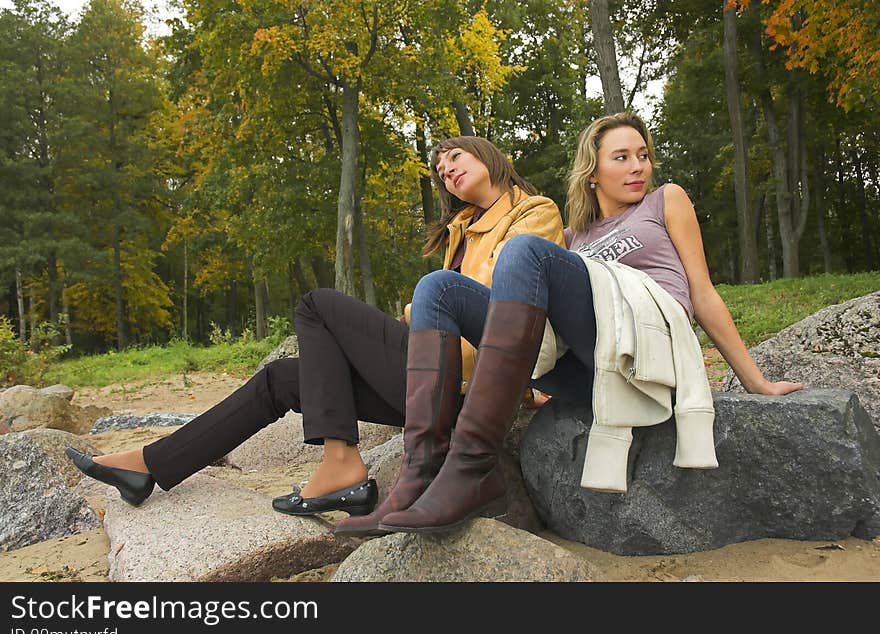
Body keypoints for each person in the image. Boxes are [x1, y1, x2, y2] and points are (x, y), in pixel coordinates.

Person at [65, 136, 565, 534]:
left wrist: (419, 307)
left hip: (475, 391)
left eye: (456, 157)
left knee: (318, 304)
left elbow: (502, 303)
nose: (448, 170)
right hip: (433, 385)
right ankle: (151, 464)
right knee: (282, 379)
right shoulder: (460, 231)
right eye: (440, 169)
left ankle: (341, 464)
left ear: (489, 155)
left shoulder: (533, 212)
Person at [373, 112, 805, 535]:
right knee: (437, 287)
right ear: (592, 172)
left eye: (643, 155)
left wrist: (756, 383)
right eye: (621, 157)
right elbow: (534, 320)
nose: (637, 167)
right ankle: (420, 471)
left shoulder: (664, 200)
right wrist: (531, 392)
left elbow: (704, 294)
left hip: (648, 348)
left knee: (523, 251)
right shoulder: (572, 238)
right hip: (592, 373)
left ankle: (471, 465)